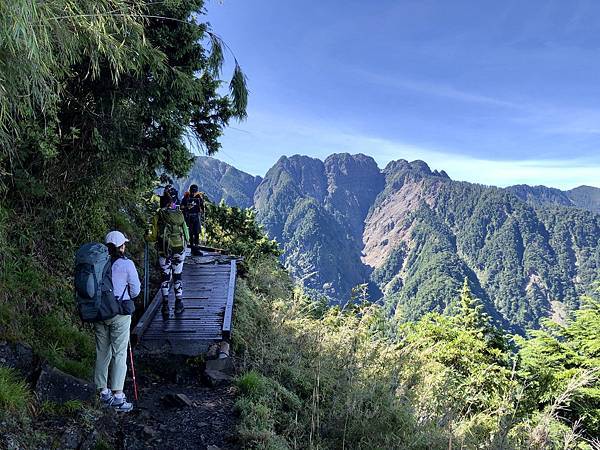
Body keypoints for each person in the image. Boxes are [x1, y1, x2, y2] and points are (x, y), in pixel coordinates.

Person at [94, 230, 140, 412]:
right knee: (119, 353)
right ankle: (119, 396)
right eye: (124, 244)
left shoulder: (98, 263)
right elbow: (135, 291)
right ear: (120, 247)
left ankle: (102, 392)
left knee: (102, 351)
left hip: (99, 313)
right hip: (119, 313)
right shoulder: (127, 264)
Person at [147, 189, 189, 316]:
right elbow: (186, 235)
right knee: (178, 275)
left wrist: (146, 237)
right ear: (171, 203)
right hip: (179, 249)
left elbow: (153, 237)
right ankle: (179, 304)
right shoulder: (179, 214)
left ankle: (165, 306)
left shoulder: (158, 216)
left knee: (165, 277)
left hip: (164, 250)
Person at [181, 184, 206, 255]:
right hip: (188, 216)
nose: (193, 193)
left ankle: (196, 248)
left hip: (196, 216)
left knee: (197, 233)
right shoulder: (186, 197)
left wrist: (201, 208)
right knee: (191, 233)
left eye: (194, 192)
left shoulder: (199, 197)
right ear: (190, 191)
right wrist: (187, 207)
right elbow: (181, 206)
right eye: (192, 191)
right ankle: (192, 249)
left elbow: (202, 208)